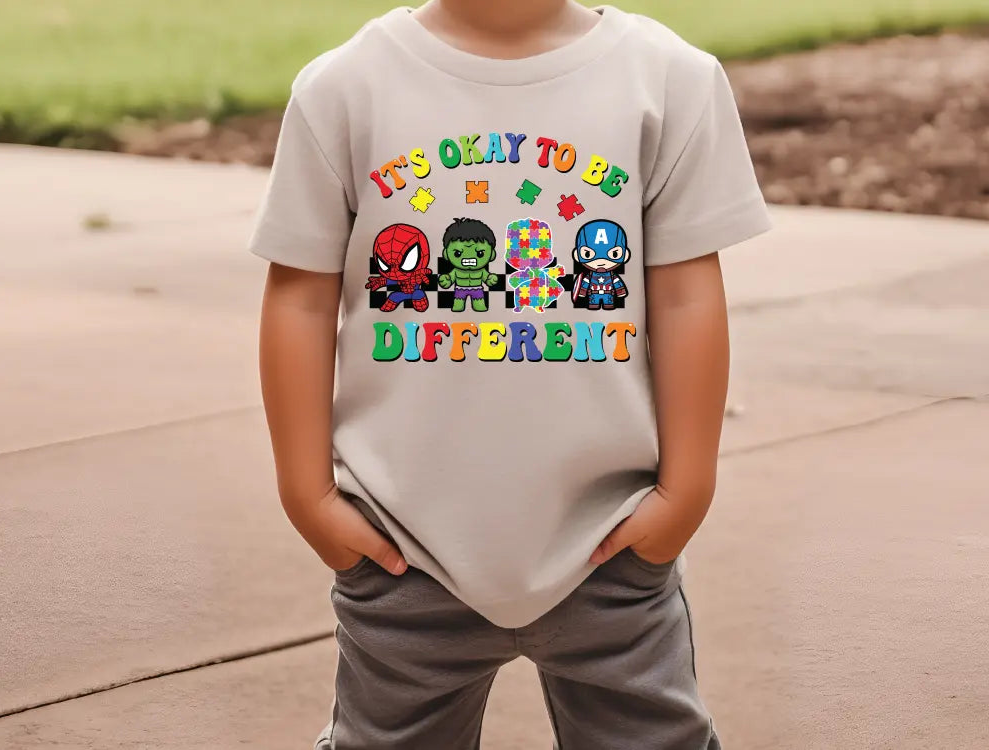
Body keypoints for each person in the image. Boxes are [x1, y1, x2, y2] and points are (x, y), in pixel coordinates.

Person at [248, 1, 772, 748]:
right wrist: (308, 494)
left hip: (609, 541)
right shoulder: (345, 87)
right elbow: (299, 298)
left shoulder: (668, 80)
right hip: (401, 544)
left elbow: (688, 295)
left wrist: (686, 490)